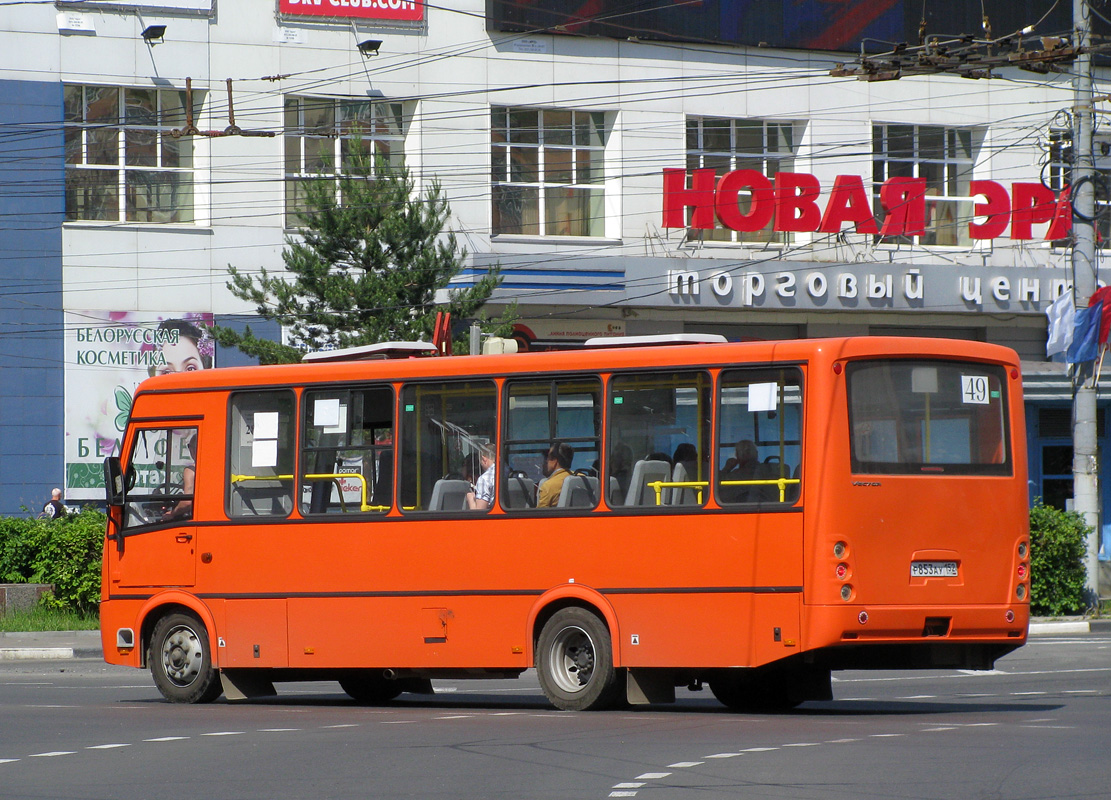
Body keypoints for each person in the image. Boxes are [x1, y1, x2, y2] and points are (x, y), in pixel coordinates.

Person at [163, 435, 197, 521]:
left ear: (192, 449)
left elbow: (187, 502)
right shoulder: (218, 468)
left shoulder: (191, 471)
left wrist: (172, 513)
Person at [537, 442, 575, 507]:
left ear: (554, 461)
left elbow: (540, 515)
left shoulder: (548, 486)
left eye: (548, 458)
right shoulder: (582, 477)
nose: (546, 462)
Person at [465, 442, 496, 510]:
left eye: (480, 462)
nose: (481, 465)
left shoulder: (484, 479)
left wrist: (470, 499)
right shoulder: (505, 473)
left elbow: (479, 513)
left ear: (484, 459)